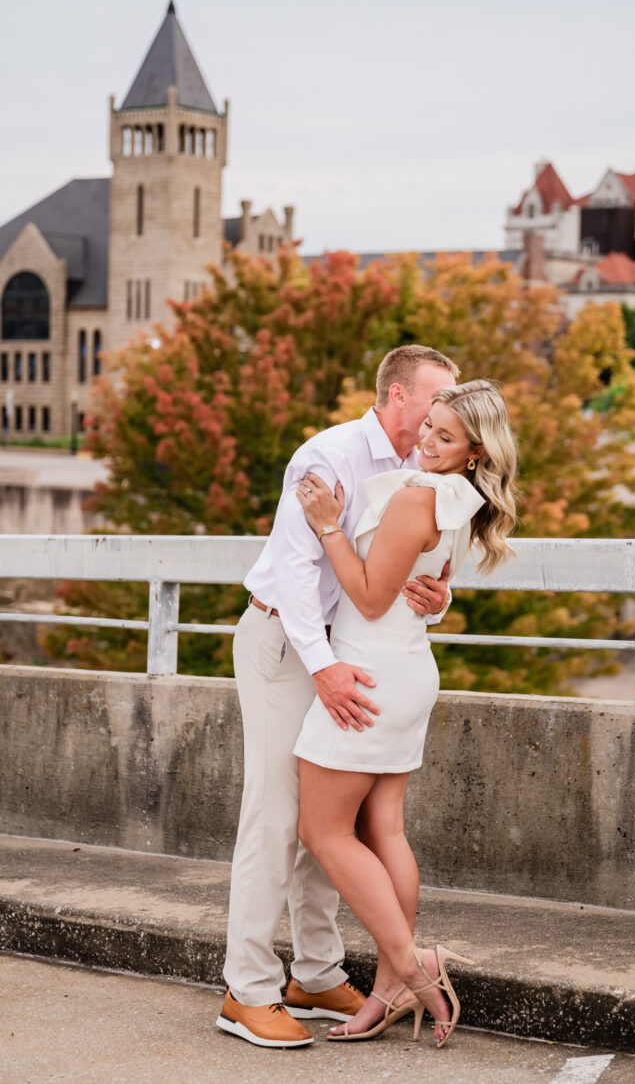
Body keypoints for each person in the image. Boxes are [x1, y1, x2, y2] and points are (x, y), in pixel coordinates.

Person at [218, 345, 460, 1049]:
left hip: (348, 652)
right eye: (434, 400)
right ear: (395, 395)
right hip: (287, 646)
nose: (441, 416)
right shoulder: (326, 456)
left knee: (338, 819)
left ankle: (317, 972)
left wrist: (438, 599)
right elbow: (296, 576)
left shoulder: (423, 472)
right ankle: (247, 989)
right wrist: (322, 666)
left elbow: (412, 575)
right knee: (276, 814)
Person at [293, 379, 517, 1049]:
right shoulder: (456, 496)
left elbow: (364, 596)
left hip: (369, 674)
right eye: (427, 427)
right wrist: (437, 597)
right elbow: (419, 587)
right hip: (405, 668)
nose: (425, 441)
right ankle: (390, 987)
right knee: (383, 826)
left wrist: (328, 523)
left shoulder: (419, 494)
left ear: (475, 450)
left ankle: (413, 964)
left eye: (444, 437)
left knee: (323, 829)